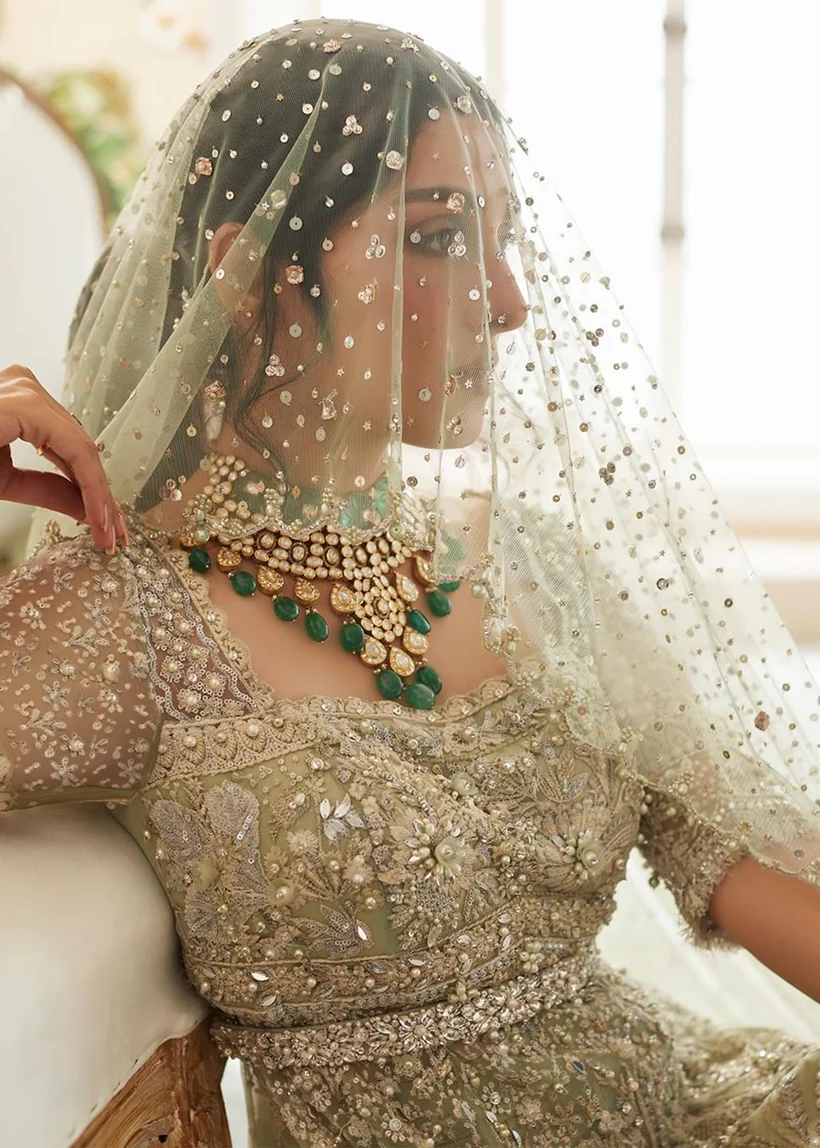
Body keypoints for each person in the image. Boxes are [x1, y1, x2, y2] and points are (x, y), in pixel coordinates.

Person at [3, 17, 820, 1146]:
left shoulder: (533, 562)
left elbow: (735, 855)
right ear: (253, 270)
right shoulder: (120, 615)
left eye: (504, 240)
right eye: (438, 237)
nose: (509, 301)